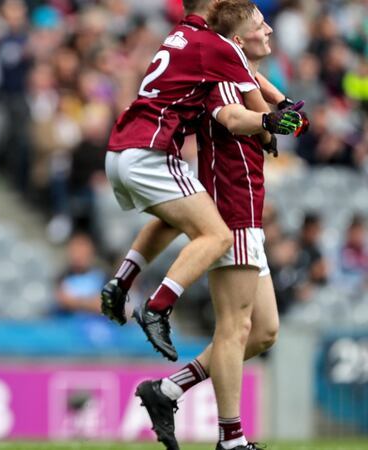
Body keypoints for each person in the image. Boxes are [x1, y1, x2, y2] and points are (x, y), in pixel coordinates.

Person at [100, 0, 303, 362]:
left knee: (175, 219)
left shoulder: (182, 37)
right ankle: (158, 307)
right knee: (217, 234)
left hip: (120, 150)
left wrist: (283, 99)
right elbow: (248, 105)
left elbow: (252, 77)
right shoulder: (217, 45)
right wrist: (272, 126)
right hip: (152, 149)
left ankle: (121, 280)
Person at [132, 2, 289, 449]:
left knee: (263, 332)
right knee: (234, 328)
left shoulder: (240, 73)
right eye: (260, 25)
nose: (269, 29)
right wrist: (267, 122)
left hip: (249, 214)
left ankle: (167, 390)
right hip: (231, 207)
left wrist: (276, 108)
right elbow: (232, 117)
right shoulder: (221, 77)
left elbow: (271, 107)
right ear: (239, 39)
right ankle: (231, 439)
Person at [54, 232, 108, 315]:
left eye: (82, 250)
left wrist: (75, 302)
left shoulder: (102, 277)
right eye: (75, 250)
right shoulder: (62, 277)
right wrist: (90, 302)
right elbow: (62, 301)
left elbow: (104, 305)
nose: (78, 255)